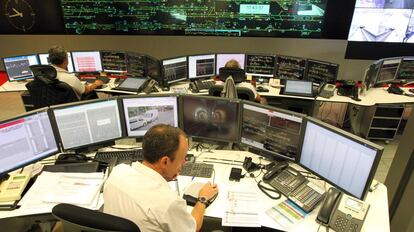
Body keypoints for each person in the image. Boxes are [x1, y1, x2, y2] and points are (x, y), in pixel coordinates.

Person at [103, 124, 219, 232]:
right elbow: (192, 227)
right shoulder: (169, 203)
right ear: (165, 161)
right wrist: (202, 199)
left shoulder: (117, 172)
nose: (184, 162)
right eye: (183, 158)